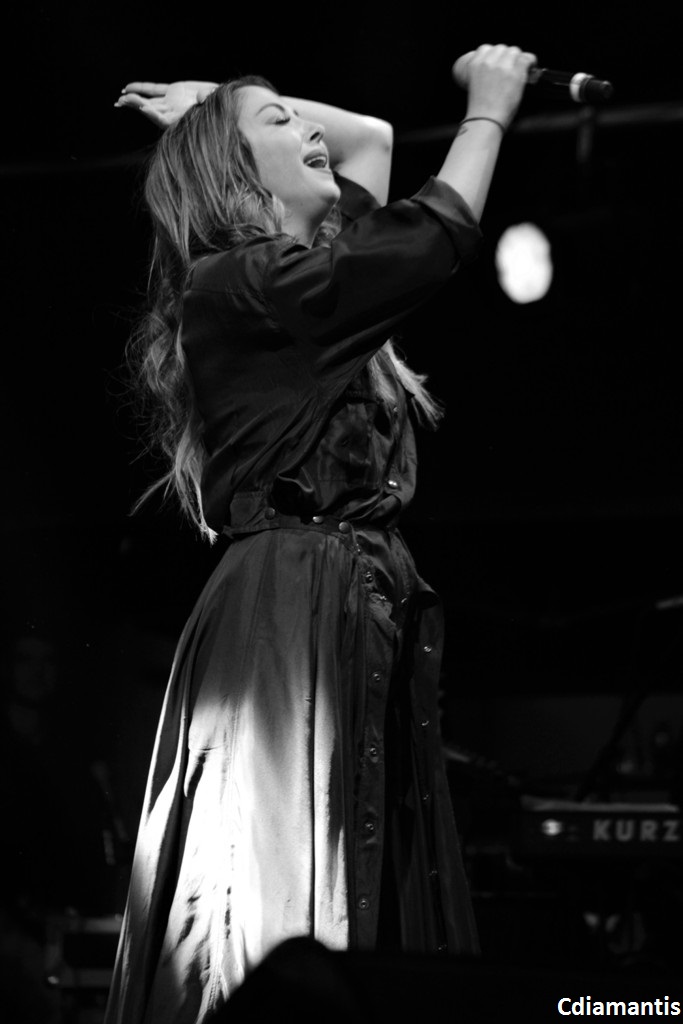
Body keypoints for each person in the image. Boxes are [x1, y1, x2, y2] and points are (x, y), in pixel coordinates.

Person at [105, 44, 536, 1024]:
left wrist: (223, 103)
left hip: (349, 601)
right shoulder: (242, 284)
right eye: (280, 126)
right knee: (279, 891)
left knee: (366, 892)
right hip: (287, 612)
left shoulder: (305, 282)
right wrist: (488, 110)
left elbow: (369, 138)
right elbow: (434, 234)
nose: (309, 129)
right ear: (232, 173)